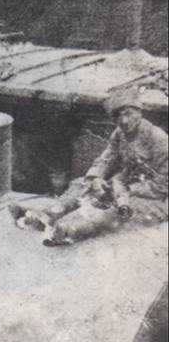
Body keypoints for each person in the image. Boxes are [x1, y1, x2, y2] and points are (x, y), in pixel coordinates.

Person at [9, 86, 168, 246]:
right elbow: (106, 159)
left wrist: (126, 190)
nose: (124, 121)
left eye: (128, 114)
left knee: (121, 210)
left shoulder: (159, 141)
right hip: (127, 183)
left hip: (156, 198)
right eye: (117, 116)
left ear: (139, 112)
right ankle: (48, 214)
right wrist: (96, 177)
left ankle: (70, 231)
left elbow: (162, 186)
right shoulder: (120, 133)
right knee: (82, 185)